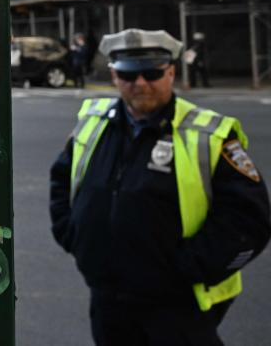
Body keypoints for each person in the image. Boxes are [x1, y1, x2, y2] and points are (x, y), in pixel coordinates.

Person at [49, 28, 270, 346]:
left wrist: (188, 268)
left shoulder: (208, 134)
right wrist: (75, 236)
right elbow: (61, 181)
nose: (140, 83)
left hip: (176, 305)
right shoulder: (94, 123)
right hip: (108, 297)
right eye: (129, 74)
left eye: (151, 73)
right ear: (114, 75)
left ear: (170, 72)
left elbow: (250, 219)